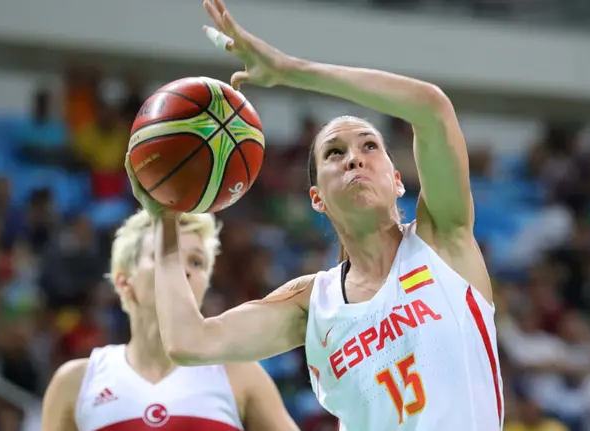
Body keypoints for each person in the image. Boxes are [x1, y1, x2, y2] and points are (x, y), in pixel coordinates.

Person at [125, 0, 503, 429]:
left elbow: (431, 107)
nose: (353, 159)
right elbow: (189, 342)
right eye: (335, 153)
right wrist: (165, 217)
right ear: (317, 198)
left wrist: (291, 70)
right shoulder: (313, 304)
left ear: (398, 180)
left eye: (369, 146)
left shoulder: (443, 240)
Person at [40, 210, 298, 431]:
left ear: (205, 284)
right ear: (124, 280)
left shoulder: (239, 374)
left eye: (196, 261)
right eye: (165, 256)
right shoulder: (76, 381)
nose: (182, 270)